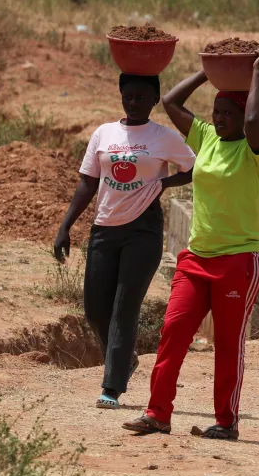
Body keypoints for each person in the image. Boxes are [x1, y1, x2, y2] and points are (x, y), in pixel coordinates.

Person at [123, 49, 259, 440]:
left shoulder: (254, 148)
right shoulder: (205, 137)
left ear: (242, 117)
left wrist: (254, 73)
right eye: (216, 111)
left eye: (227, 112)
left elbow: (256, 118)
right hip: (196, 258)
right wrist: (210, 73)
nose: (218, 118)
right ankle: (158, 413)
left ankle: (226, 422)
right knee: (173, 331)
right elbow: (171, 101)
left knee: (227, 343)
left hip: (239, 260)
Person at [54, 73, 196, 409]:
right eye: (127, 97)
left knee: (124, 308)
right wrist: (65, 226)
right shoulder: (104, 133)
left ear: (154, 100)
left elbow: (192, 167)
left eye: (140, 97)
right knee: (94, 308)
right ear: (121, 97)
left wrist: (164, 184)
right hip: (104, 227)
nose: (133, 103)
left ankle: (112, 387)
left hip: (144, 229)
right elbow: (87, 183)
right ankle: (126, 360)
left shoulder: (164, 137)